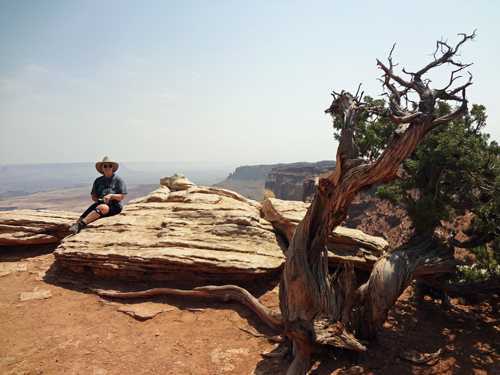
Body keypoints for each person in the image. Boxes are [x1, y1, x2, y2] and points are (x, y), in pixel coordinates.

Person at [69, 156, 127, 234]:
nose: (108, 168)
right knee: (80, 219)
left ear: (113, 168)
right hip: (100, 204)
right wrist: (98, 201)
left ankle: (81, 225)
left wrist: (110, 196)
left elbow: (122, 196)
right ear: (102, 168)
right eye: (105, 166)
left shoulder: (118, 180)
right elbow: (93, 196)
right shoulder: (98, 181)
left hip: (115, 206)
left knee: (102, 207)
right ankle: (78, 225)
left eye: (110, 166)